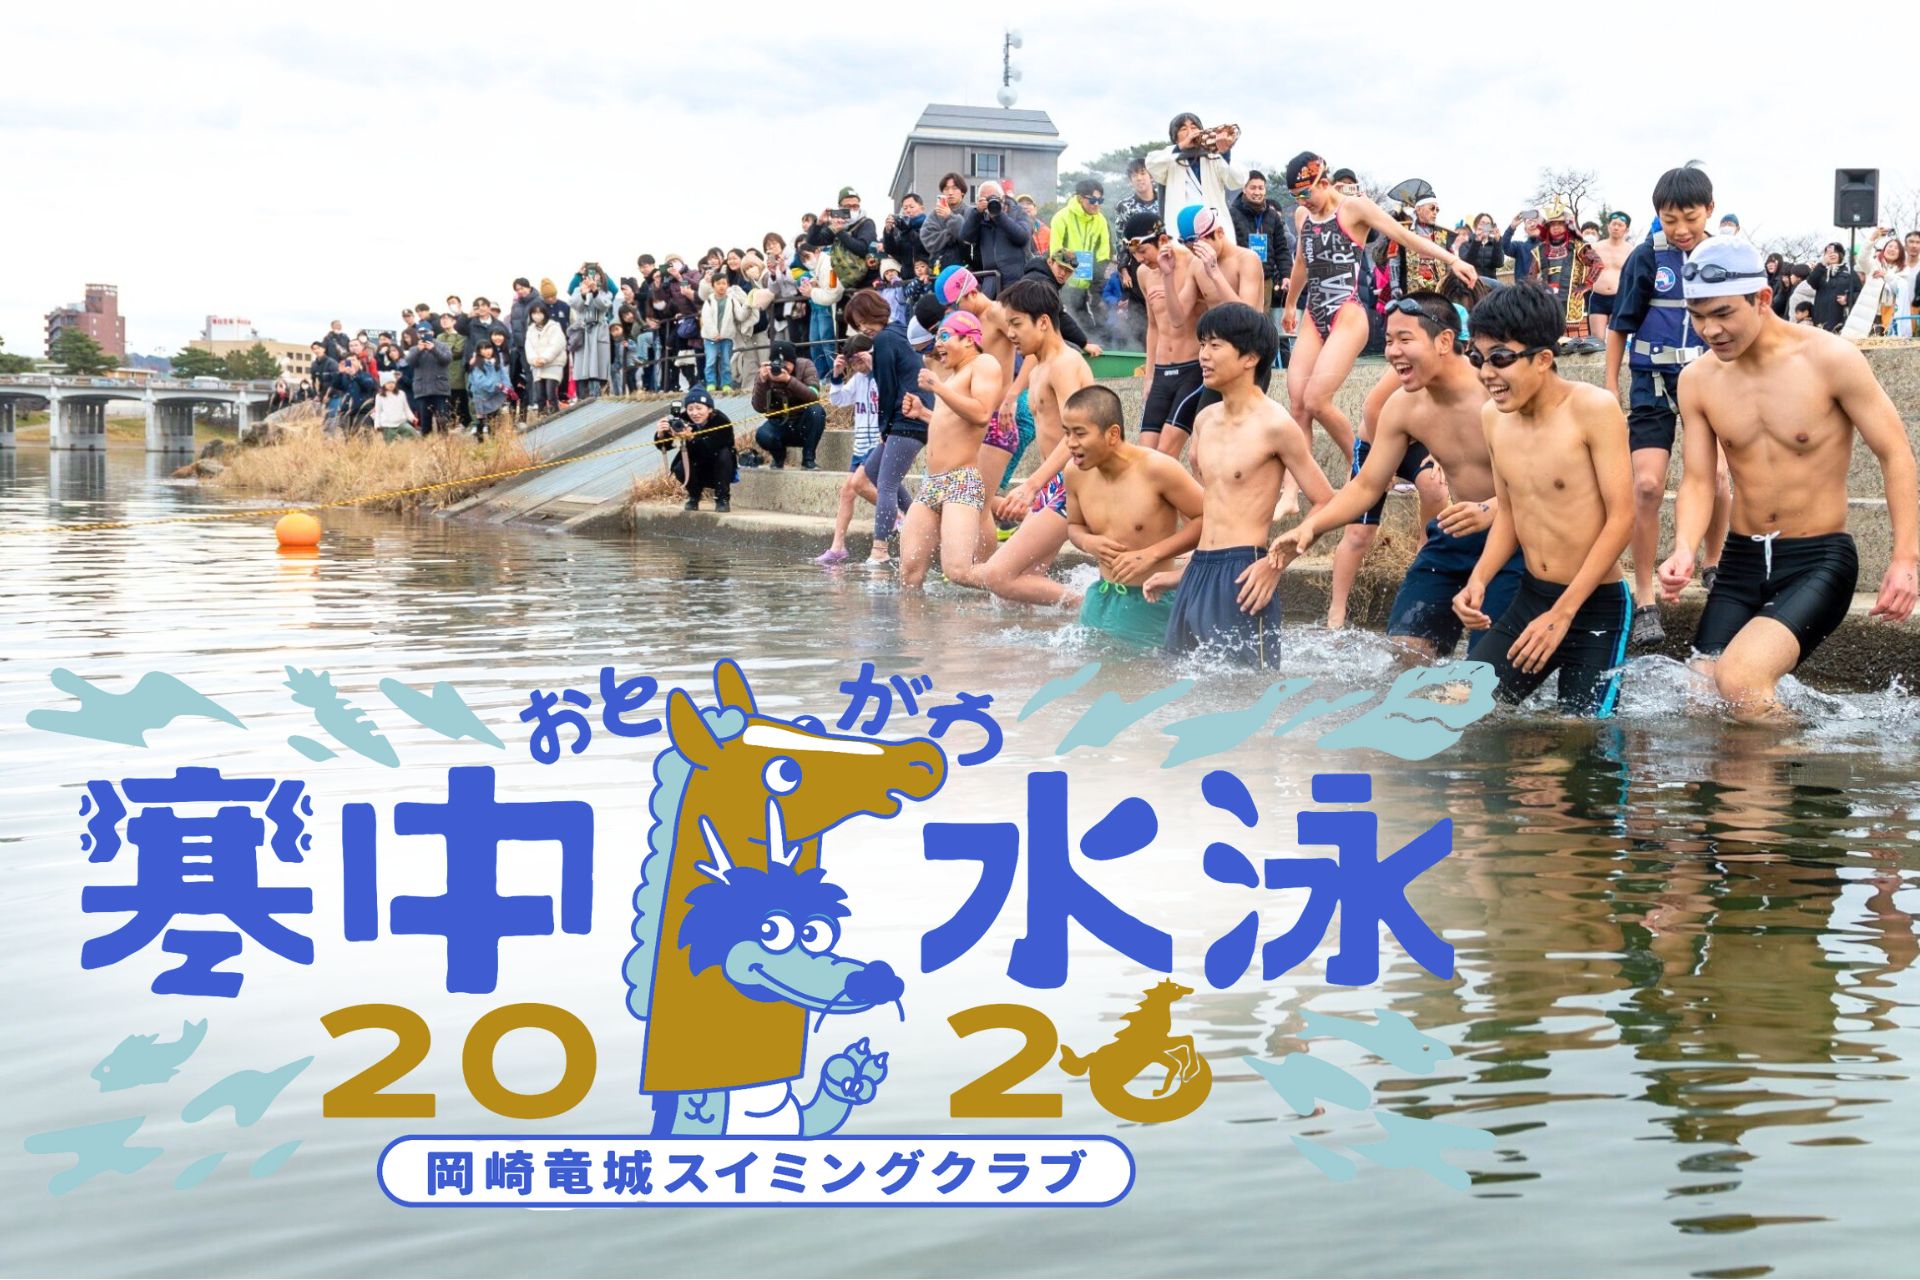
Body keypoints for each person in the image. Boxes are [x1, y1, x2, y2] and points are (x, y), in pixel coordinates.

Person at [1657, 236, 1918, 722]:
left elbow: (1895, 453)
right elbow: (1698, 480)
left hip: (1817, 559)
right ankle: (1785, 757)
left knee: (1740, 682)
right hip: (1740, 562)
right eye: (1697, 316)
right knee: (1700, 699)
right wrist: (1685, 548)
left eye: (1722, 313)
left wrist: (1906, 559)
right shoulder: (1697, 380)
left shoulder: (1830, 359)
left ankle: (1811, 765)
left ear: (1761, 298)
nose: (1710, 330)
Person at [1275, 291, 1522, 659]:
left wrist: (1489, 509)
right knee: (1406, 653)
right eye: (1389, 341)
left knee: (1487, 669)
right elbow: (1366, 486)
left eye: (1405, 339)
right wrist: (1311, 527)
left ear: (1444, 341)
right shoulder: (1404, 407)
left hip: (1516, 536)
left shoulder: (1498, 394)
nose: (1392, 352)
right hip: (1457, 534)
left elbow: (1540, 484)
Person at [1450, 283, 1637, 716]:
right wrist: (1478, 579)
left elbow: (1623, 518)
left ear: (1544, 359)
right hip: (1532, 598)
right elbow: (1509, 513)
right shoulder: (1493, 418)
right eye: (1477, 358)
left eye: (1500, 358)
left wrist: (1564, 613)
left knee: (1580, 736)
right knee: (1457, 711)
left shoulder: (1593, 408)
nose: (1486, 373)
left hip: (1595, 607)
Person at [1281, 152, 1479, 510]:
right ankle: (1295, 492)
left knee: (1316, 401)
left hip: (1346, 311)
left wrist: (1452, 259)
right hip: (1314, 312)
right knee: (1297, 405)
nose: (1302, 202)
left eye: (1306, 193)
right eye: (1296, 196)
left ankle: (1367, 470)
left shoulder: (1354, 209)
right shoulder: (1302, 215)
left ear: (1324, 182)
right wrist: (1292, 303)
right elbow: (1300, 263)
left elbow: (1404, 236)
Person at [1155, 303, 1333, 667]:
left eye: (1215, 345)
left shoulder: (1275, 425)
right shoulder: (1204, 420)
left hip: (1244, 573)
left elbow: (1325, 500)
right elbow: (1218, 507)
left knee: (1246, 690)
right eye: (1202, 344)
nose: (1203, 355)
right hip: (1198, 570)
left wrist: (1277, 563)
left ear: (1250, 357)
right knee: (1179, 685)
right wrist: (1183, 574)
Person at [1604, 163, 1732, 648]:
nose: (1680, 229)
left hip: (1709, 381)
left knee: (1718, 476)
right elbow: (1619, 325)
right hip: (1652, 380)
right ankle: (1644, 598)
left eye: (1690, 218)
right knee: (1646, 485)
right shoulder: (1646, 256)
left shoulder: (1726, 258)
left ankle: (1713, 563)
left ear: (1710, 210)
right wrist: (1611, 385)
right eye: (1669, 218)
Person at [977, 279, 1096, 608]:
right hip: (1054, 483)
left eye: (1016, 324)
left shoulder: (1064, 364)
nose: (1010, 333)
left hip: (1073, 482)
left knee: (998, 576)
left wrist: (1031, 485)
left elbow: (1078, 435)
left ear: (1043, 322)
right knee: (1016, 589)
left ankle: (1089, 607)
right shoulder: (1039, 367)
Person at [1063, 384, 1207, 647]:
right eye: (1067, 432)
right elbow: (1074, 525)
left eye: (1080, 433)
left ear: (1112, 434)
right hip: (1101, 598)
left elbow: (1209, 519)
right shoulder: (1074, 473)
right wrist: (1087, 541)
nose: (1070, 443)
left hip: (1152, 600)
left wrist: (1151, 554)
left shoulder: (1158, 469)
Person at [1322, 368, 1445, 630]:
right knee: (1359, 534)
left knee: (1435, 487)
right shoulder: (1408, 360)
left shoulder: (1460, 366)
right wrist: (1383, 461)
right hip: (1375, 440)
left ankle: (1419, 590)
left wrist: (1442, 449)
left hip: (1418, 444)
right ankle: (1336, 610)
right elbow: (1372, 407)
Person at [897, 311, 1004, 589]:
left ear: (969, 339)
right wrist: (922, 413)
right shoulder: (955, 377)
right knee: (909, 573)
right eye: (937, 338)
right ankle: (911, 624)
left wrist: (938, 388)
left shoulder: (984, 363)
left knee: (958, 570)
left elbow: (982, 413)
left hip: (961, 481)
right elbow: (951, 425)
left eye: (945, 336)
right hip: (932, 483)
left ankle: (1017, 585)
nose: (938, 344)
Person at [932, 265, 1023, 558]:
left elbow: (1035, 350)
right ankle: (967, 566)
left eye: (956, 304)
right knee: (969, 502)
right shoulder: (967, 325)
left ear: (970, 292)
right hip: (974, 422)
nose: (953, 311)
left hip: (996, 420)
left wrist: (1012, 396)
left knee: (980, 506)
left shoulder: (997, 313)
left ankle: (981, 571)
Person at [847, 288, 931, 564]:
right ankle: (921, 527)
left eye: (864, 321)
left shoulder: (884, 339)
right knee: (872, 473)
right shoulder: (898, 331)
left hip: (907, 418)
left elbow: (887, 388)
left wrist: (884, 428)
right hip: (912, 414)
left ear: (875, 313)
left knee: (886, 484)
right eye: (858, 325)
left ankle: (879, 550)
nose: (863, 329)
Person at [1123, 214, 1203, 455]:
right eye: (1134, 254)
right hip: (1161, 371)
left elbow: (1211, 311)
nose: (1139, 259)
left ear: (1163, 240)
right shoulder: (1144, 273)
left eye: (1143, 251)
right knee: (1145, 453)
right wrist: (1149, 376)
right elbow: (1154, 326)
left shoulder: (1192, 264)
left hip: (1192, 369)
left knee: (1166, 450)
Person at [814, 333, 884, 565]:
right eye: (851, 362)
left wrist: (874, 367)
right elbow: (838, 400)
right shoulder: (858, 379)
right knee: (847, 492)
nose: (855, 367)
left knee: (857, 485)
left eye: (858, 361)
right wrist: (837, 375)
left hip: (878, 442)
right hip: (860, 444)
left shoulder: (882, 375)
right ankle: (838, 547)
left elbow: (889, 393)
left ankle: (899, 516)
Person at [1146, 114, 1245, 232]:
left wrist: (1225, 152)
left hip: (1214, 226)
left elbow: (1238, 180)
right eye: (1183, 129)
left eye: (1194, 127)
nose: (1190, 132)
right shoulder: (1169, 160)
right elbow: (1151, 164)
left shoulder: (1214, 157)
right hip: (1182, 228)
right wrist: (1181, 146)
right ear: (1175, 137)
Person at [1229, 171, 1294, 330]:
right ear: (1244, 189)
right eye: (1253, 188)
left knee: (1260, 322)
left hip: (1265, 278)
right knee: (1239, 319)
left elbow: (1281, 248)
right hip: (1239, 277)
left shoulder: (1272, 216)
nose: (1257, 192)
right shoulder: (1232, 214)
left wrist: (1286, 275)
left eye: (1261, 188)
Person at [1050, 179, 1112, 346]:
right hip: (1064, 282)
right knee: (1066, 324)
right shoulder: (1061, 217)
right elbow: (1056, 251)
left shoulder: (1101, 220)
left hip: (1088, 282)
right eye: (1092, 200)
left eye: (1100, 200)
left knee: (1094, 322)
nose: (1096, 204)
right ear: (1079, 198)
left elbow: (1103, 253)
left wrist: (1096, 283)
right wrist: (1066, 276)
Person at [750, 340, 825, 469]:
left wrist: (789, 380)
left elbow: (814, 396)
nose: (782, 368)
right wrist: (762, 382)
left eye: (786, 364)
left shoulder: (806, 365)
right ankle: (778, 458)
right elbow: (759, 408)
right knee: (762, 435)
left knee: (816, 411)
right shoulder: (766, 373)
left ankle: (808, 459)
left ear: (793, 361)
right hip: (779, 423)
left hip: (803, 423)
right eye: (778, 363)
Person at [659, 387, 736, 513]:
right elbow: (665, 446)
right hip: (695, 468)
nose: (694, 413)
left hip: (718, 468)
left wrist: (691, 437)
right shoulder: (681, 421)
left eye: (699, 408)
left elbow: (710, 447)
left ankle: (722, 498)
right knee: (680, 467)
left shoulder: (721, 421)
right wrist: (662, 433)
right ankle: (694, 496)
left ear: (709, 409)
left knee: (724, 454)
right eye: (690, 409)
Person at [957, 181, 1032, 298]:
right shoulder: (979, 216)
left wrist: (999, 216)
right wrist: (977, 213)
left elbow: (1022, 238)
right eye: (985, 199)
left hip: (1017, 279)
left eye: (993, 198)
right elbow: (965, 238)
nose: (990, 203)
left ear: (1002, 198)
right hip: (991, 280)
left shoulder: (1017, 211)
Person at [699, 272, 756, 394]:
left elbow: (740, 316)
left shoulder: (732, 300)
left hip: (727, 337)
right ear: (713, 285)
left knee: (726, 362)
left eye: (724, 283)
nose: (721, 286)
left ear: (727, 285)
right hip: (710, 338)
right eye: (718, 283)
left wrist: (747, 305)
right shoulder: (708, 301)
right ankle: (711, 383)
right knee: (710, 361)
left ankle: (726, 384)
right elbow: (706, 319)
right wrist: (714, 333)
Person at [568, 265, 617, 399]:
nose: (593, 278)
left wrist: (595, 292)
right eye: (590, 275)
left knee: (600, 368)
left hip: (599, 330)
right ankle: (582, 397)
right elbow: (574, 304)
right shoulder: (578, 290)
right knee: (582, 370)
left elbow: (604, 305)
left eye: (596, 275)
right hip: (583, 331)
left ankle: (603, 396)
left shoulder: (605, 292)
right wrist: (583, 294)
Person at [1586, 211, 1634, 339]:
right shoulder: (1595, 247)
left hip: (1619, 297)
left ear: (1626, 230)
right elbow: (1583, 270)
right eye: (1614, 224)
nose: (1616, 227)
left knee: (1616, 337)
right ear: (1608, 226)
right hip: (1598, 297)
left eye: (1620, 225)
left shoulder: (1631, 250)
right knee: (1597, 340)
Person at [920, 172, 975, 273]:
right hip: (939, 269)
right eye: (946, 189)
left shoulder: (971, 212)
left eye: (954, 188)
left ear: (962, 192)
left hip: (967, 269)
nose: (950, 192)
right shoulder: (934, 215)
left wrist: (949, 217)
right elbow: (928, 241)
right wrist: (952, 234)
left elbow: (967, 236)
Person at [404, 327, 452, 434]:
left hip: (439, 388)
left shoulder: (442, 346)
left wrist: (433, 349)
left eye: (426, 332)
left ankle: (444, 442)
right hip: (422, 389)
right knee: (425, 423)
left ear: (432, 333)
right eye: (420, 333)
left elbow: (447, 360)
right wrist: (419, 350)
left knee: (442, 421)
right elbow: (410, 362)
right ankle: (426, 442)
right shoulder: (414, 348)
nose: (423, 335)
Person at [524, 304, 566, 414]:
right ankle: (542, 418)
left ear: (544, 313)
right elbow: (529, 348)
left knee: (551, 394)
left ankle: (556, 416)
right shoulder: (530, 330)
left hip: (553, 364)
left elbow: (557, 345)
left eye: (539, 313)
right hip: (537, 366)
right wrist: (534, 360)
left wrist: (544, 359)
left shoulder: (554, 327)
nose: (536, 316)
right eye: (534, 313)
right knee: (539, 397)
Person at [1808, 242, 1858, 332]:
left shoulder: (1849, 272)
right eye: (1828, 252)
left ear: (1840, 254)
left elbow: (1859, 293)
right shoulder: (1820, 271)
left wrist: (1848, 299)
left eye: (1835, 252)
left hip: (1841, 318)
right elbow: (1811, 282)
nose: (1832, 254)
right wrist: (1822, 265)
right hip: (1821, 319)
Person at [466, 342, 509, 438]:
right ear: (479, 351)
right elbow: (480, 381)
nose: (487, 351)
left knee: (494, 419)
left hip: (495, 394)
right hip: (481, 395)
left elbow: (504, 376)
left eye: (489, 348)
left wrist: (507, 388)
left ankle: (493, 440)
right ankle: (480, 440)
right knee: (481, 419)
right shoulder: (476, 364)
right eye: (484, 349)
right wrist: (496, 385)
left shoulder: (496, 362)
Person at [372, 377, 419, 441]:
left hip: (401, 422)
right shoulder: (379, 396)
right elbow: (378, 412)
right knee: (390, 443)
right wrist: (377, 425)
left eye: (393, 382)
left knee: (412, 434)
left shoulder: (401, 394)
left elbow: (406, 408)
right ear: (383, 384)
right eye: (388, 383)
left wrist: (412, 418)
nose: (391, 385)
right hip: (387, 425)